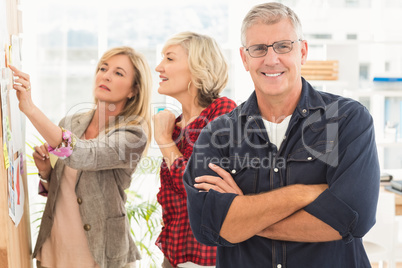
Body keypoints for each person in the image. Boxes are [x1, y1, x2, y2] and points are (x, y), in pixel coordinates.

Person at [183, 3, 380, 268]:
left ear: (303, 51)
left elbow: (352, 220)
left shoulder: (348, 120)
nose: (271, 59)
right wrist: (301, 195)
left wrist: (242, 213)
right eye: (259, 49)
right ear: (244, 58)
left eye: (283, 46)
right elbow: (208, 227)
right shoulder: (217, 133)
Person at [10, 46, 152, 268]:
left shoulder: (133, 135)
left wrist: (29, 107)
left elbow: (84, 155)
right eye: (103, 68)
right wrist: (46, 171)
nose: (105, 75)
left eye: (118, 73)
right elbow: (60, 185)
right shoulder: (70, 123)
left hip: (101, 253)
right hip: (56, 244)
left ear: (133, 90)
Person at [153, 31, 237, 268]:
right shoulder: (177, 126)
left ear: (198, 67)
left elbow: (197, 189)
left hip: (208, 260)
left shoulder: (222, 111)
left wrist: (163, 140)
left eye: (169, 59)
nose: (159, 67)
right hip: (174, 256)